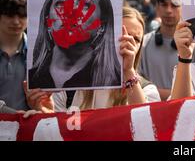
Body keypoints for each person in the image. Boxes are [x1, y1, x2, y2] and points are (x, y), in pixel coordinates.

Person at [26, 7, 160, 112]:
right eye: (121, 34)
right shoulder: (68, 85)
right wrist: (47, 113)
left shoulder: (147, 90)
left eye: (135, 39)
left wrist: (128, 71)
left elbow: (145, 125)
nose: (127, 42)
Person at [28, 0, 121, 89]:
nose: (71, 12)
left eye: (85, 5)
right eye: (61, 3)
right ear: (47, 20)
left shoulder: (116, 81)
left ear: (102, 24)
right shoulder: (28, 79)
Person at [139, 0, 181, 101]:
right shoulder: (143, 44)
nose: (169, 10)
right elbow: (136, 85)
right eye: (164, 4)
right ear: (157, 7)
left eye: (174, 5)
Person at [0, 0, 29, 111]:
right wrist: (13, 113)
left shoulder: (38, 53)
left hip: (27, 127)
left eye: (22, 15)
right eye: (10, 15)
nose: (16, 22)